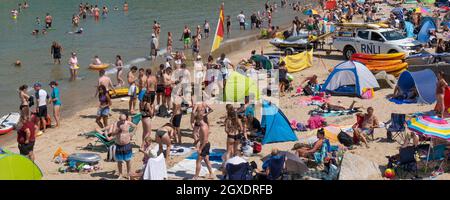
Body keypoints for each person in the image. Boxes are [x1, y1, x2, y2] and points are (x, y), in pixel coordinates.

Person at [110, 114, 136, 179]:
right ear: (119, 119)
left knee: (128, 160)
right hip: (118, 145)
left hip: (127, 144)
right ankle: (120, 174)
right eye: (122, 120)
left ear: (126, 119)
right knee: (119, 161)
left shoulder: (128, 123)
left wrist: (132, 133)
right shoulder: (116, 124)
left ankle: (128, 174)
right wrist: (117, 131)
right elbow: (112, 134)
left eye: (124, 120)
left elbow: (135, 126)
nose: (123, 122)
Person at [193, 111, 214, 180]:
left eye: (196, 120)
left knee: (198, 161)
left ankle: (196, 176)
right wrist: (197, 141)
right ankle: (211, 173)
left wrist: (200, 149)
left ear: (198, 120)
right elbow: (203, 137)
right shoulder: (203, 125)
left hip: (204, 145)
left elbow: (205, 140)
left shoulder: (203, 127)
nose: (196, 122)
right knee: (206, 159)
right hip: (205, 144)